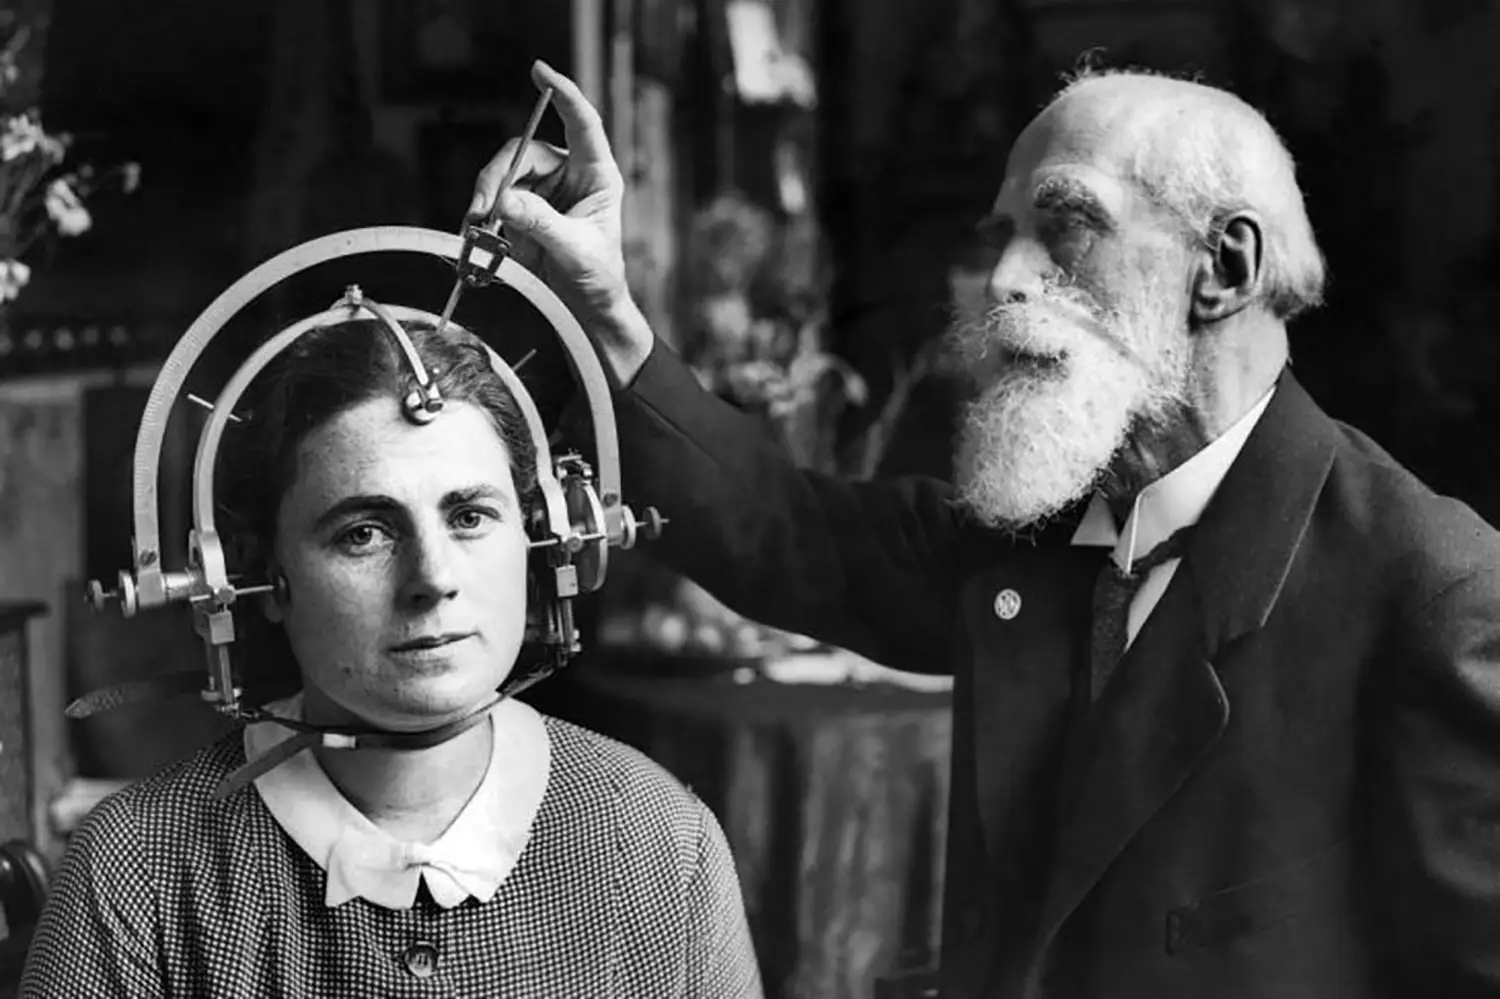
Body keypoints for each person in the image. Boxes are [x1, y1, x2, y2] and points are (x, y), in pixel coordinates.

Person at [468, 60, 1500, 997]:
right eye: (1004, 237)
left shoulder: (1434, 591)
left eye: (1066, 224)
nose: (1004, 280)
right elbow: (781, 530)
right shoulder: (1032, 532)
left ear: (1222, 268)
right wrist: (605, 309)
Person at [20, 319, 765, 998]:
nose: (432, 578)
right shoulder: (136, 871)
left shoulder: (661, 844)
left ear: (545, 540)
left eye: (470, 517)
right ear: (254, 575)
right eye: (364, 533)